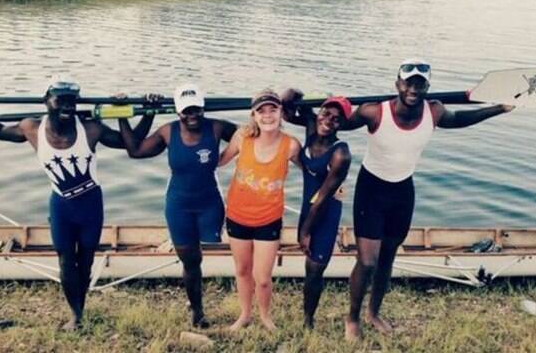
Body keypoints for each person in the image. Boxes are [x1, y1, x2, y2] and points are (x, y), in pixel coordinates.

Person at [0, 81, 155, 330]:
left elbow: (130, 143)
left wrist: (144, 112)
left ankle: (80, 307)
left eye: (72, 100)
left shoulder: (91, 128)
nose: (68, 105)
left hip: (91, 204)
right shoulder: (32, 128)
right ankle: (76, 315)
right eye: (61, 100)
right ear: (46, 100)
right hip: (61, 205)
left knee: (86, 260)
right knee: (65, 261)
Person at [342, 59, 513, 339]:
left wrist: (499, 109)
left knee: (387, 257)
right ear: (398, 84)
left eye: (419, 84)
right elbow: (335, 123)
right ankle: (352, 319)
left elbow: (459, 120)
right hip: (371, 190)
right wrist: (293, 111)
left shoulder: (434, 112)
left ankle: (373, 313)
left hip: (402, 190)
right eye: (408, 82)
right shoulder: (373, 112)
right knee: (368, 261)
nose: (413, 88)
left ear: (427, 87)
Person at [118, 83, 237, 328]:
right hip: (179, 206)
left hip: (210, 205)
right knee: (191, 261)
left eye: (196, 110)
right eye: (186, 111)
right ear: (177, 111)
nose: (192, 116)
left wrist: (272, 107)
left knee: (208, 253)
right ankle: (197, 311)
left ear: (203, 109)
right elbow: (135, 151)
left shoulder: (216, 128)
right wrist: (130, 114)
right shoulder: (167, 132)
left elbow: (252, 136)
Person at [218, 88, 301, 332]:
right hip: (237, 216)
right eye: (261, 111)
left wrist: (332, 185)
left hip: (269, 219)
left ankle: (265, 316)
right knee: (243, 271)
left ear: (281, 113)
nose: (267, 116)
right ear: (253, 115)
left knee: (263, 278)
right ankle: (245, 315)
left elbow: (312, 169)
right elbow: (219, 160)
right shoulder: (242, 137)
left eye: (272, 110)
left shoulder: (291, 145)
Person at [281, 90, 352, 329]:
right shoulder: (312, 125)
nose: (328, 120)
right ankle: (307, 316)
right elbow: (287, 111)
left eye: (336, 118)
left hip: (325, 211)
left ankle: (308, 320)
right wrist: (293, 94)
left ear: (341, 124)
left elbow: (322, 199)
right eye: (326, 113)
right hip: (307, 205)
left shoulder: (341, 154)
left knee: (314, 269)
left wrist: (306, 231)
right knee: (307, 264)